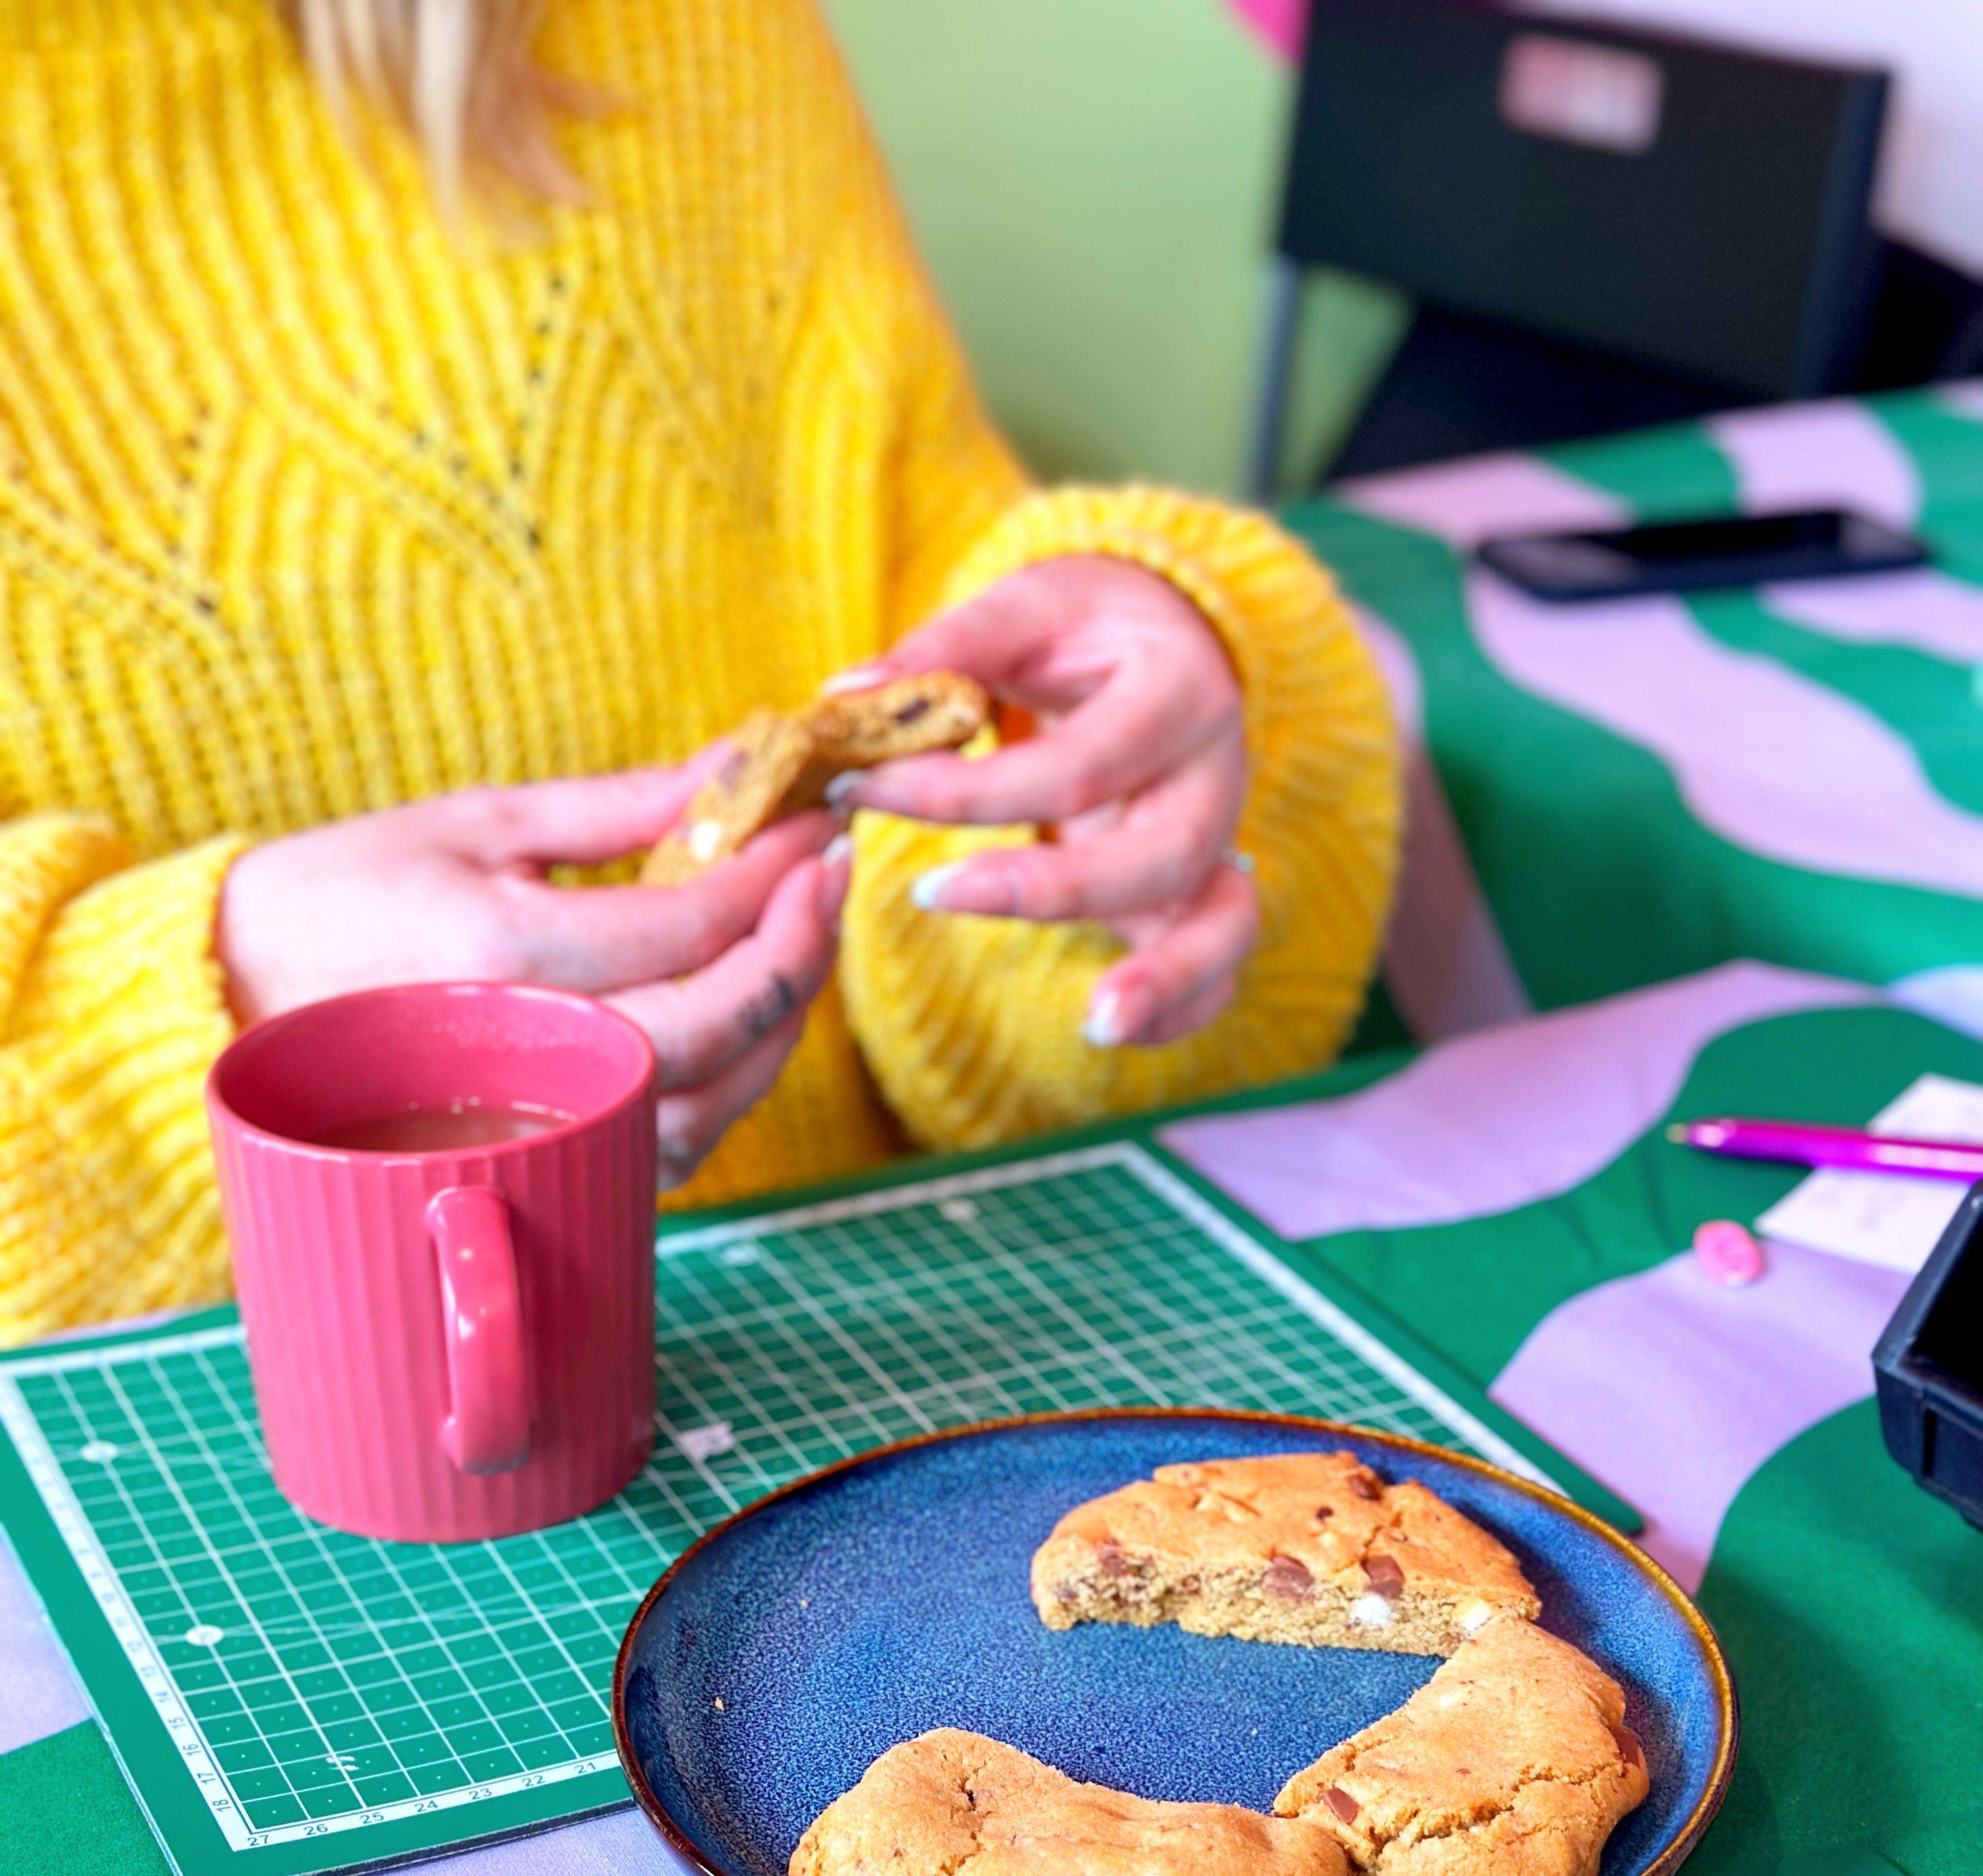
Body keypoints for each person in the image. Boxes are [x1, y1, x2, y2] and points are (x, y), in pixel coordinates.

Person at [0, 0, 1400, 1346]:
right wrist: (209, 1010)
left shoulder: (674, 27)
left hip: (865, 1353)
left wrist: (1110, 780)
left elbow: (952, 767)